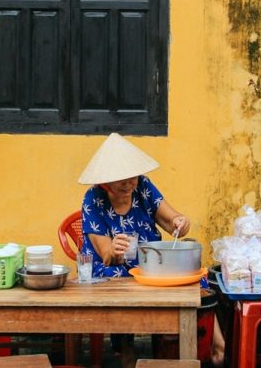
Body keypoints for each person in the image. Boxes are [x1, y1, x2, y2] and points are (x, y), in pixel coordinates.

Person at [77, 132, 224, 367]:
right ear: (105, 182)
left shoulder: (143, 186)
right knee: (121, 284)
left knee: (197, 278)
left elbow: (170, 221)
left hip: (151, 264)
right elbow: (105, 256)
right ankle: (126, 350)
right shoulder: (93, 199)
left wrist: (180, 222)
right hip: (110, 270)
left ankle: (216, 346)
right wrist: (115, 250)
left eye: (132, 177)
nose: (130, 184)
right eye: (121, 180)